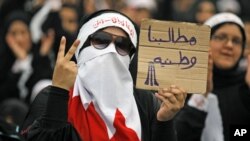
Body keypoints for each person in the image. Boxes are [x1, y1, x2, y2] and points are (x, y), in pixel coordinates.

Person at [21, 9, 187, 141]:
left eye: (122, 45)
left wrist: (164, 121)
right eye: (100, 40)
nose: (111, 51)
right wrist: (58, 93)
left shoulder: (146, 102)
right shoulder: (53, 96)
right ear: (82, 46)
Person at [174, 12, 250, 141]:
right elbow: (176, 136)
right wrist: (200, 96)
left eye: (236, 41)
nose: (229, 45)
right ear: (203, 42)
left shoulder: (245, 87)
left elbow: (242, 133)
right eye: (221, 37)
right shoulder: (180, 87)